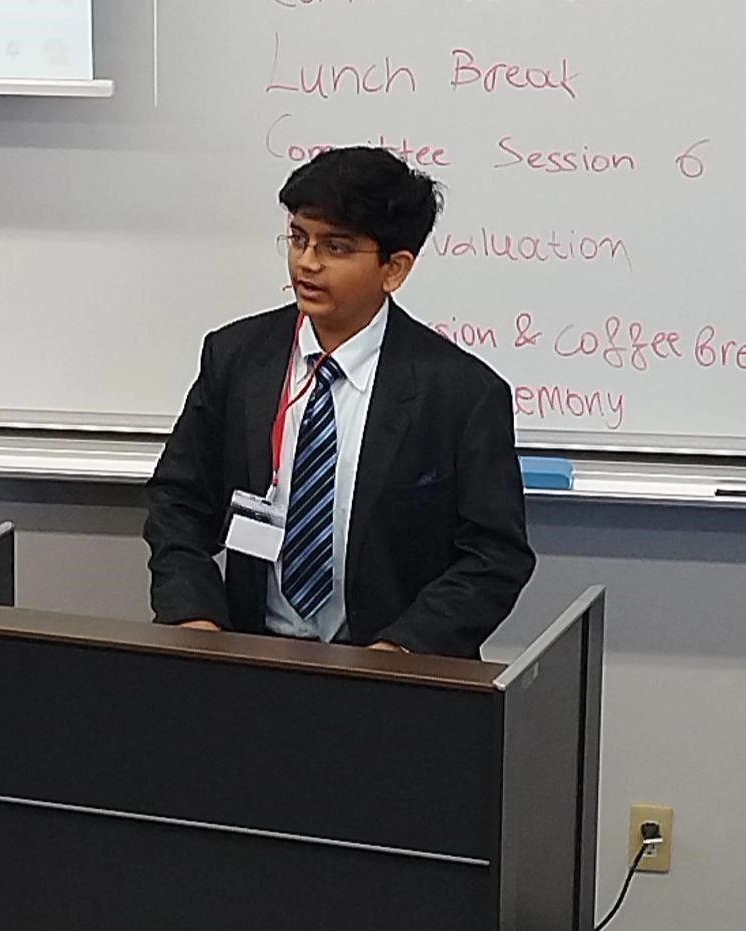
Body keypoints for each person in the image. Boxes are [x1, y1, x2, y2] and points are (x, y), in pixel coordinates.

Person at [142, 146, 535, 659]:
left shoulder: (461, 393)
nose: (307, 262)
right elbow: (177, 500)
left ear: (394, 269)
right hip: (250, 658)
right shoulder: (237, 357)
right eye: (299, 238)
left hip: (390, 675)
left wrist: (400, 649)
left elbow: (493, 555)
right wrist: (193, 614)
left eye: (337, 248)